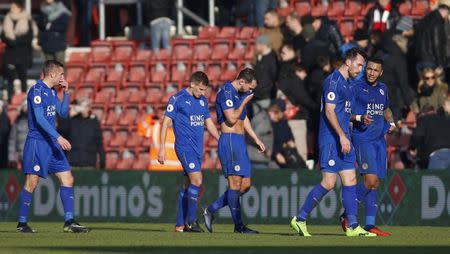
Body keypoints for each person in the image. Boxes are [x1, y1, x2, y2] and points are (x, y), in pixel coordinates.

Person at [290, 48, 376, 237]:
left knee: (350, 179)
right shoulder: (333, 81)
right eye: (359, 64)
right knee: (328, 183)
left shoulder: (346, 84)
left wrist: (359, 118)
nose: (361, 69)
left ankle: (352, 226)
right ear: (348, 62)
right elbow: (329, 112)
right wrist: (341, 136)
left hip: (343, 138)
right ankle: (300, 218)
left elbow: (342, 113)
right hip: (331, 139)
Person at [16, 60, 89, 233]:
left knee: (68, 178)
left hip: (51, 143)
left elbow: (63, 112)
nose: (63, 77)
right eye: (61, 74)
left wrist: (66, 92)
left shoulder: (51, 91)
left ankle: (69, 221)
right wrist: (58, 137)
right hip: (38, 142)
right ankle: (21, 223)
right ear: (52, 74)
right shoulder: (37, 91)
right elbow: (40, 119)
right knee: (32, 182)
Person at [202, 68, 265, 234]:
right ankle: (239, 226)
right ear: (242, 81)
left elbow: (243, 119)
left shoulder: (239, 94)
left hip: (240, 141)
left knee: (245, 185)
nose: (251, 92)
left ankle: (211, 209)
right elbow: (231, 119)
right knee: (235, 184)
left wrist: (256, 139)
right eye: (250, 88)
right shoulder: (226, 92)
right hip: (229, 140)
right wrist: (244, 101)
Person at [158, 71, 220, 232]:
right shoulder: (177, 99)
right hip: (184, 148)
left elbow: (209, 123)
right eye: (200, 89)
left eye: (204, 90)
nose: (202, 93)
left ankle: (180, 225)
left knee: (188, 186)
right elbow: (165, 123)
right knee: (197, 181)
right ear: (192, 84)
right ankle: (192, 221)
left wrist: (220, 139)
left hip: (198, 149)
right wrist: (162, 148)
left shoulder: (203, 101)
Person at [341, 57, 396, 236]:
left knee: (376, 183)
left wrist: (392, 122)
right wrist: (359, 118)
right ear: (365, 69)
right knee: (369, 181)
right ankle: (346, 214)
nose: (371, 73)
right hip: (362, 138)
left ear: (381, 73)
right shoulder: (356, 88)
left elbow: (385, 109)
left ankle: (370, 225)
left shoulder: (383, 89)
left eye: (375, 70)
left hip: (379, 140)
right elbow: (344, 112)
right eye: (369, 69)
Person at [1, 0, 37, 101]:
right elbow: (3, 35)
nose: (12, 8)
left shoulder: (27, 19)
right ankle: (10, 98)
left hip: (23, 53)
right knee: (9, 78)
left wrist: (17, 41)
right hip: (10, 54)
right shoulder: (7, 19)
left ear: (19, 8)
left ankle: (24, 98)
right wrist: (10, 41)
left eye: (14, 7)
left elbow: (30, 36)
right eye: (11, 7)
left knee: (23, 77)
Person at [58, 97, 105, 169]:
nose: (84, 108)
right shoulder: (72, 120)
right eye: (82, 106)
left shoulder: (94, 122)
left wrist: (102, 161)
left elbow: (99, 142)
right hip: (72, 162)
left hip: (89, 163)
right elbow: (61, 130)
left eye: (86, 106)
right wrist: (69, 116)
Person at [8, 99, 28, 169]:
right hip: (22, 156)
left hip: (37, 155)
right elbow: (12, 141)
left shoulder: (38, 122)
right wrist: (12, 158)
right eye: (26, 107)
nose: (27, 109)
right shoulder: (17, 123)